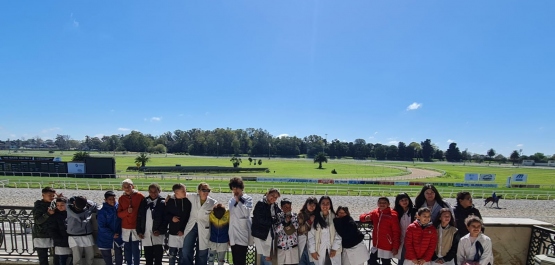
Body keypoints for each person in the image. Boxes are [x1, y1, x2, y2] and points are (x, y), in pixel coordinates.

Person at [182, 182, 217, 265]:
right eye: (203, 190)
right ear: (198, 191)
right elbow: (180, 193)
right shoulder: (193, 197)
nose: (205, 192)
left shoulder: (213, 202)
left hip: (204, 228)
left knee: (202, 251)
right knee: (186, 249)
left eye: (207, 190)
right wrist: (169, 196)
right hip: (192, 226)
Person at [359, 197, 401, 265]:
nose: (382, 204)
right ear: (378, 204)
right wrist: (365, 217)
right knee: (371, 261)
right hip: (376, 245)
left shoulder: (393, 215)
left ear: (388, 204)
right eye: (380, 203)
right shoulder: (375, 212)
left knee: (386, 263)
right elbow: (362, 217)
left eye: (384, 203)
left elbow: (396, 232)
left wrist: (395, 247)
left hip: (387, 246)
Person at [137, 183, 167, 265]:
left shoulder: (162, 203)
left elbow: (165, 219)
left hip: (157, 234)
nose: (153, 194)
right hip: (146, 233)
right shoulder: (144, 202)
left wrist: (160, 231)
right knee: (148, 256)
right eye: (151, 192)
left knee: (158, 257)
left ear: (159, 191)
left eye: (155, 192)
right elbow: (139, 217)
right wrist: (139, 231)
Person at [117, 179, 144, 265]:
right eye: (124, 187)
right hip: (125, 227)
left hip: (136, 226)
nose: (127, 188)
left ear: (133, 186)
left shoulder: (140, 196)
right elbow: (119, 214)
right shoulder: (121, 199)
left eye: (128, 186)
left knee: (136, 248)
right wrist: (127, 212)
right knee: (127, 248)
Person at [308, 196, 342, 265]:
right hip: (319, 251)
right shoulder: (316, 218)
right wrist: (312, 251)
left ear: (330, 205)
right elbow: (311, 236)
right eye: (323, 203)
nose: (325, 205)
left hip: (333, 250)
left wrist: (334, 248)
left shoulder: (335, 218)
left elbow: (339, 234)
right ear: (320, 205)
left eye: (327, 203)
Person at [252, 188, 282, 265]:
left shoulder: (274, 205)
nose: (274, 198)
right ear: (267, 194)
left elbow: (280, 215)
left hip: (269, 234)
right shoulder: (260, 203)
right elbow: (260, 219)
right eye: (272, 196)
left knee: (265, 257)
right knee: (266, 257)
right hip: (260, 234)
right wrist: (273, 221)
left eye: (276, 197)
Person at [67, 196, 98, 265]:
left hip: (87, 234)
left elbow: (96, 206)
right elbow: (95, 205)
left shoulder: (69, 206)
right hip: (74, 236)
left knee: (90, 256)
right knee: (77, 258)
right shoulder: (69, 207)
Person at [228, 177, 253, 265]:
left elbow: (247, 212)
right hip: (233, 235)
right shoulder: (231, 201)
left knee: (241, 260)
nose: (235, 191)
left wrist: (239, 201)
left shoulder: (248, 199)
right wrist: (229, 236)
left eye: (237, 188)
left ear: (241, 188)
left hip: (242, 234)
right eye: (233, 189)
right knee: (235, 260)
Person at [165, 183, 192, 265]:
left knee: (182, 255)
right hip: (173, 231)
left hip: (184, 232)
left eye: (185, 190)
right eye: (183, 191)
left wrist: (183, 230)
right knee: (172, 254)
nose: (185, 192)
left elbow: (189, 217)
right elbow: (165, 214)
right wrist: (171, 218)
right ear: (176, 193)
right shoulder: (170, 201)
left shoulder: (188, 201)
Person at [97, 191, 124, 265]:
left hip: (117, 236)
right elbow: (101, 226)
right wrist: (111, 234)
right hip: (105, 237)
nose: (112, 200)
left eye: (114, 198)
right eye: (110, 199)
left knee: (119, 254)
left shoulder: (119, 207)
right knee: (107, 256)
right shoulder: (102, 211)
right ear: (105, 200)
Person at [33, 187, 57, 265]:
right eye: (49, 195)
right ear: (43, 195)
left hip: (53, 234)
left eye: (53, 195)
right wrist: (48, 214)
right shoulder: (38, 205)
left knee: (57, 257)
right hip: (41, 234)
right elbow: (37, 221)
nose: (52, 197)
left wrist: (61, 198)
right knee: (43, 258)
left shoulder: (53, 203)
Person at [393, 193, 417, 265]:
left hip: (412, 239)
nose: (404, 202)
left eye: (406, 199)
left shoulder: (415, 211)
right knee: (401, 259)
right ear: (398, 202)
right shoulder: (395, 212)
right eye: (402, 200)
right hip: (400, 239)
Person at [274, 198, 299, 265]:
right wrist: (284, 222)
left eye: (289, 207)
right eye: (285, 207)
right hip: (282, 247)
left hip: (292, 246)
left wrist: (290, 220)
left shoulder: (295, 216)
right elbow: (276, 230)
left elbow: (297, 227)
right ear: (281, 207)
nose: (287, 209)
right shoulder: (278, 216)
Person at [49, 197, 71, 265]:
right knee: (61, 260)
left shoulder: (71, 214)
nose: (59, 207)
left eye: (62, 205)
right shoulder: (55, 216)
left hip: (71, 242)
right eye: (58, 205)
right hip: (60, 243)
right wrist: (60, 240)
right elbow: (52, 230)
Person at [297, 197, 319, 265]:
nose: (311, 207)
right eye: (310, 205)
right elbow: (300, 230)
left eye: (313, 205)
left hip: (314, 243)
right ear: (306, 205)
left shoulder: (318, 215)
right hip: (302, 242)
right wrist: (309, 222)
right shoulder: (301, 215)